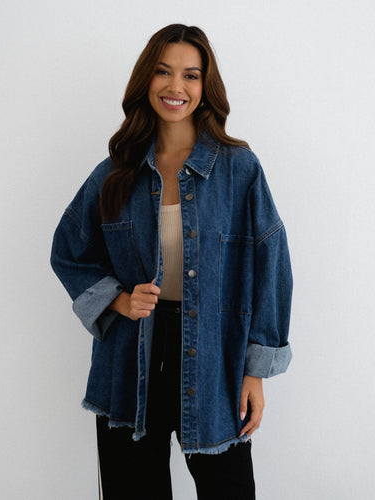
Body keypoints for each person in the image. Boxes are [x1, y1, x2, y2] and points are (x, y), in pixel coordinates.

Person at [50, 23, 293, 500]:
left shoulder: (239, 170)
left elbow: (272, 266)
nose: (176, 86)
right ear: (147, 79)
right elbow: (68, 250)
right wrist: (118, 300)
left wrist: (255, 372)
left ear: (205, 87)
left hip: (215, 357)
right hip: (130, 359)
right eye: (163, 72)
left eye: (190, 75)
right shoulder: (115, 172)